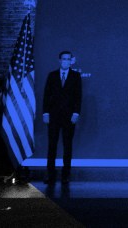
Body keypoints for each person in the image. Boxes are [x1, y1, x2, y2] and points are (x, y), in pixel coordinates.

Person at [43, 50, 82, 184]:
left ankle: (66, 175)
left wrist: (76, 113)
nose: (66, 61)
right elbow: (46, 95)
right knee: (52, 146)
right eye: (63, 59)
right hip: (53, 116)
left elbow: (78, 96)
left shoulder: (76, 76)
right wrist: (45, 113)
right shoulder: (52, 75)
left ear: (71, 61)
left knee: (67, 146)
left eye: (68, 59)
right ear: (59, 60)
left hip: (69, 117)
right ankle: (50, 174)